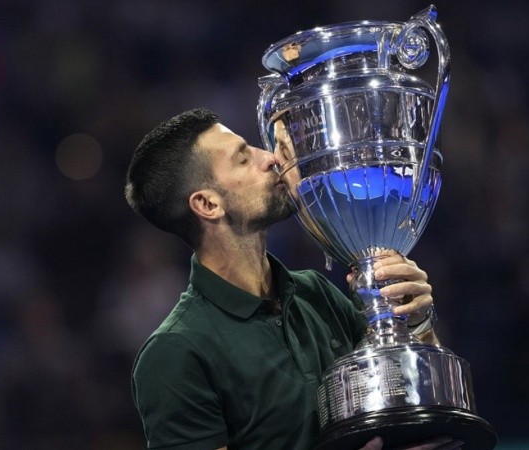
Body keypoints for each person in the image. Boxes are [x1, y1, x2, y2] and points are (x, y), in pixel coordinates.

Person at [126, 108, 458, 450]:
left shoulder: (316, 293)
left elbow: (410, 401)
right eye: (243, 159)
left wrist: (415, 323)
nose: (270, 158)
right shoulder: (175, 353)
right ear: (208, 204)